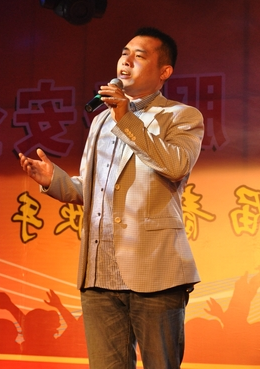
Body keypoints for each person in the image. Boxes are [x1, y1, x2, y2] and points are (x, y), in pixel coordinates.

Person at [19, 27, 203, 368]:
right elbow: (93, 190)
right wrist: (55, 181)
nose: (126, 61)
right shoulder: (101, 122)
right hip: (99, 274)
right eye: (124, 53)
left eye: (139, 56)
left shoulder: (180, 116)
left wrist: (126, 118)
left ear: (164, 72)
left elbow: (176, 166)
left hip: (155, 273)